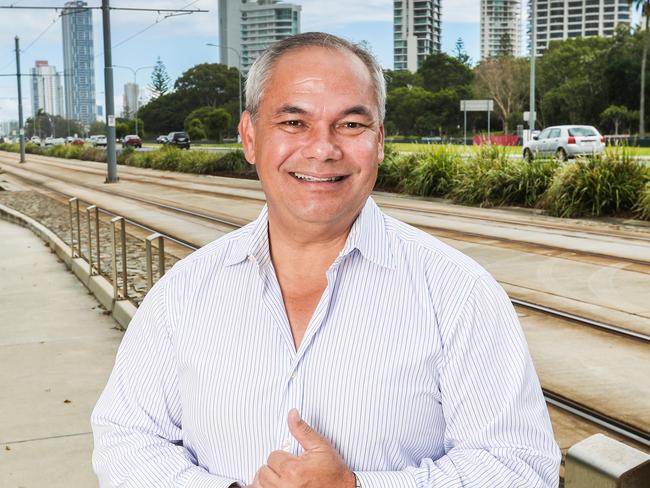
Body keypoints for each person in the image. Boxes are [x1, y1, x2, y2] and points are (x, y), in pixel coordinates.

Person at [92, 32, 561, 488]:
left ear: (378, 141)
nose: (323, 148)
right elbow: (127, 439)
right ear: (250, 137)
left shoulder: (458, 292)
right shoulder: (184, 291)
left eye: (351, 124)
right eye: (294, 123)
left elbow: (519, 467)